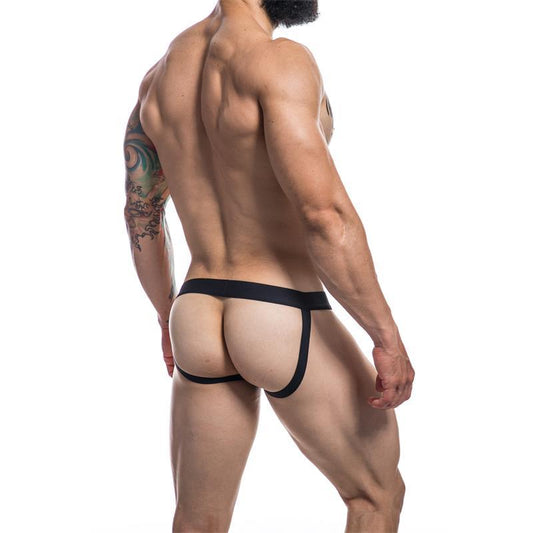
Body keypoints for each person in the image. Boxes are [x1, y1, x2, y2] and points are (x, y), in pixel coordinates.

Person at [123, 1, 415, 531]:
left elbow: (141, 213)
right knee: (376, 493)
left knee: (197, 520)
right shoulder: (278, 60)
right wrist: (386, 335)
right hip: (278, 307)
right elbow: (323, 214)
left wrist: (166, 315)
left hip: (197, 310)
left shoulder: (157, 80)